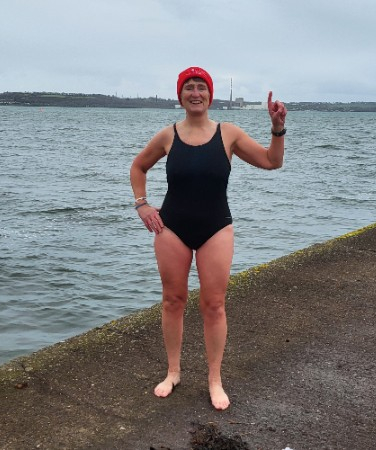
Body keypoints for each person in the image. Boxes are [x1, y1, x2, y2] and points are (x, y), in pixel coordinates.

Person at [129, 66, 287, 410]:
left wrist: (277, 129)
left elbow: (272, 161)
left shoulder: (228, 133)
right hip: (171, 228)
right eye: (189, 87)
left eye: (201, 87)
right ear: (180, 95)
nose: (195, 93)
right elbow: (138, 167)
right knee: (173, 301)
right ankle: (173, 372)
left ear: (210, 95)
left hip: (216, 228)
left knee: (214, 305)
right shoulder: (167, 136)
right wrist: (142, 205)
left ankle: (214, 379)